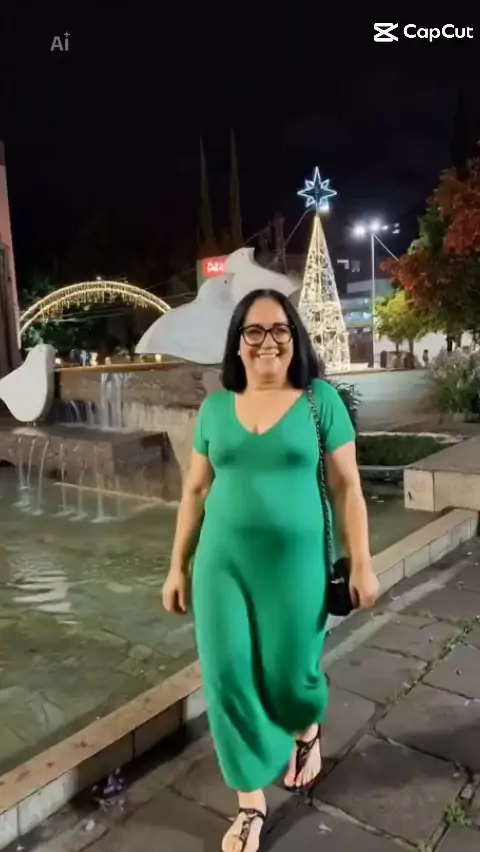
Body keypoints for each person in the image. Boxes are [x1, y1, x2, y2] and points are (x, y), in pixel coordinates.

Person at [162, 288, 379, 852]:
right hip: (221, 566)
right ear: (237, 343)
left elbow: (347, 487)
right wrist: (177, 567)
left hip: (297, 567)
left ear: (295, 338)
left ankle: (306, 728)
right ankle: (249, 803)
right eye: (253, 331)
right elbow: (194, 491)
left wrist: (361, 561)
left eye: (279, 329)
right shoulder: (215, 409)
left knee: (290, 678)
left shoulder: (319, 401)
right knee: (228, 675)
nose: (267, 342)